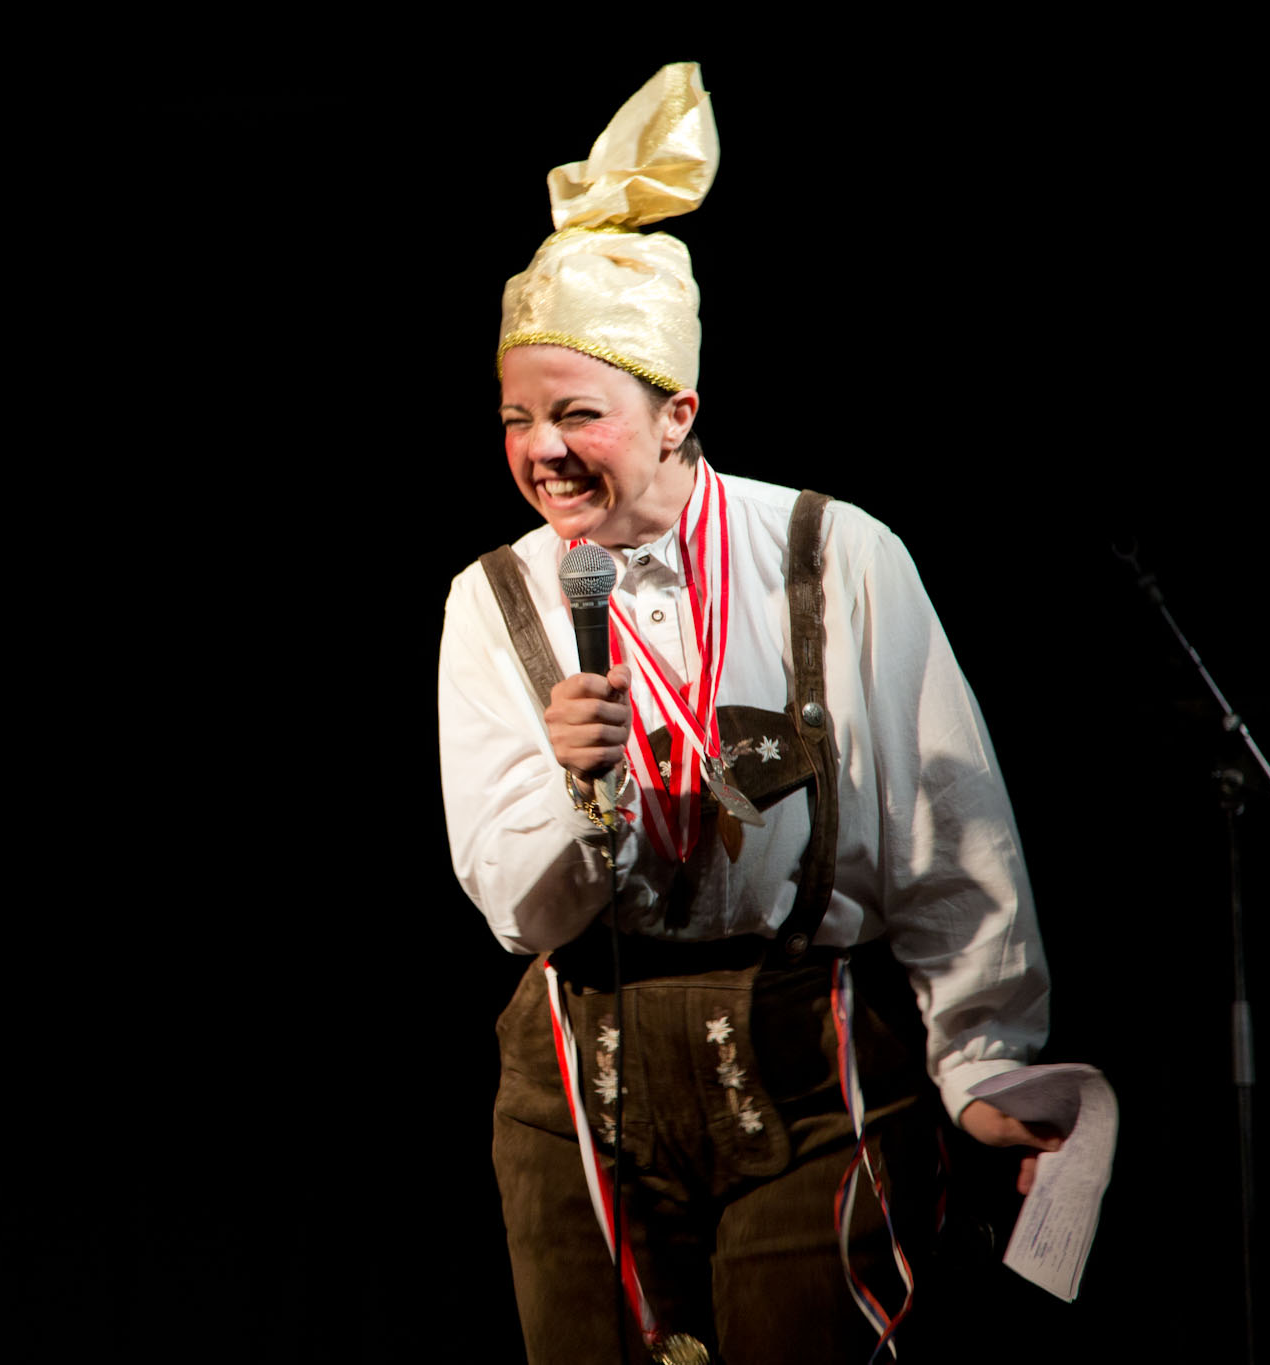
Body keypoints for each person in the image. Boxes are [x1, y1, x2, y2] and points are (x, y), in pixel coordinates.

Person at [438, 64, 1058, 1364]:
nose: (542, 449)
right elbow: (515, 905)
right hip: (582, 1085)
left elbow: (949, 829)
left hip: (807, 1063)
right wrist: (579, 795)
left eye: (577, 413)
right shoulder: (495, 597)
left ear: (677, 413)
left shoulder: (835, 556)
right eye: (516, 418)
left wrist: (984, 1057)